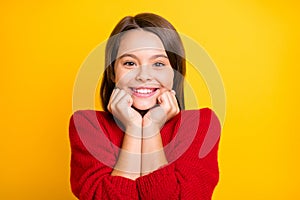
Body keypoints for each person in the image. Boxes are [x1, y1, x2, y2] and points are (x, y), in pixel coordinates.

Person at [69, 13, 221, 200]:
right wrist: (134, 128)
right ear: (112, 73)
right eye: (130, 63)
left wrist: (150, 128)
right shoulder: (88, 125)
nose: (143, 76)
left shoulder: (200, 124)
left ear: (175, 73)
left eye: (158, 63)